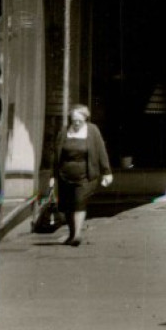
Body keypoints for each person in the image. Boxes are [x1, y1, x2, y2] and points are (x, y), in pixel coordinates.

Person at [52, 103, 112, 247]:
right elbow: (56, 155)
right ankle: (72, 234)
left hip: (85, 175)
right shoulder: (64, 131)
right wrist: (52, 176)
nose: (77, 123)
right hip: (64, 175)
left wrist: (107, 171)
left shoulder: (93, 131)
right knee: (67, 206)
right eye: (74, 120)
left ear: (86, 119)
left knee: (79, 202)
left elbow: (101, 151)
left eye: (80, 120)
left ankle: (77, 234)